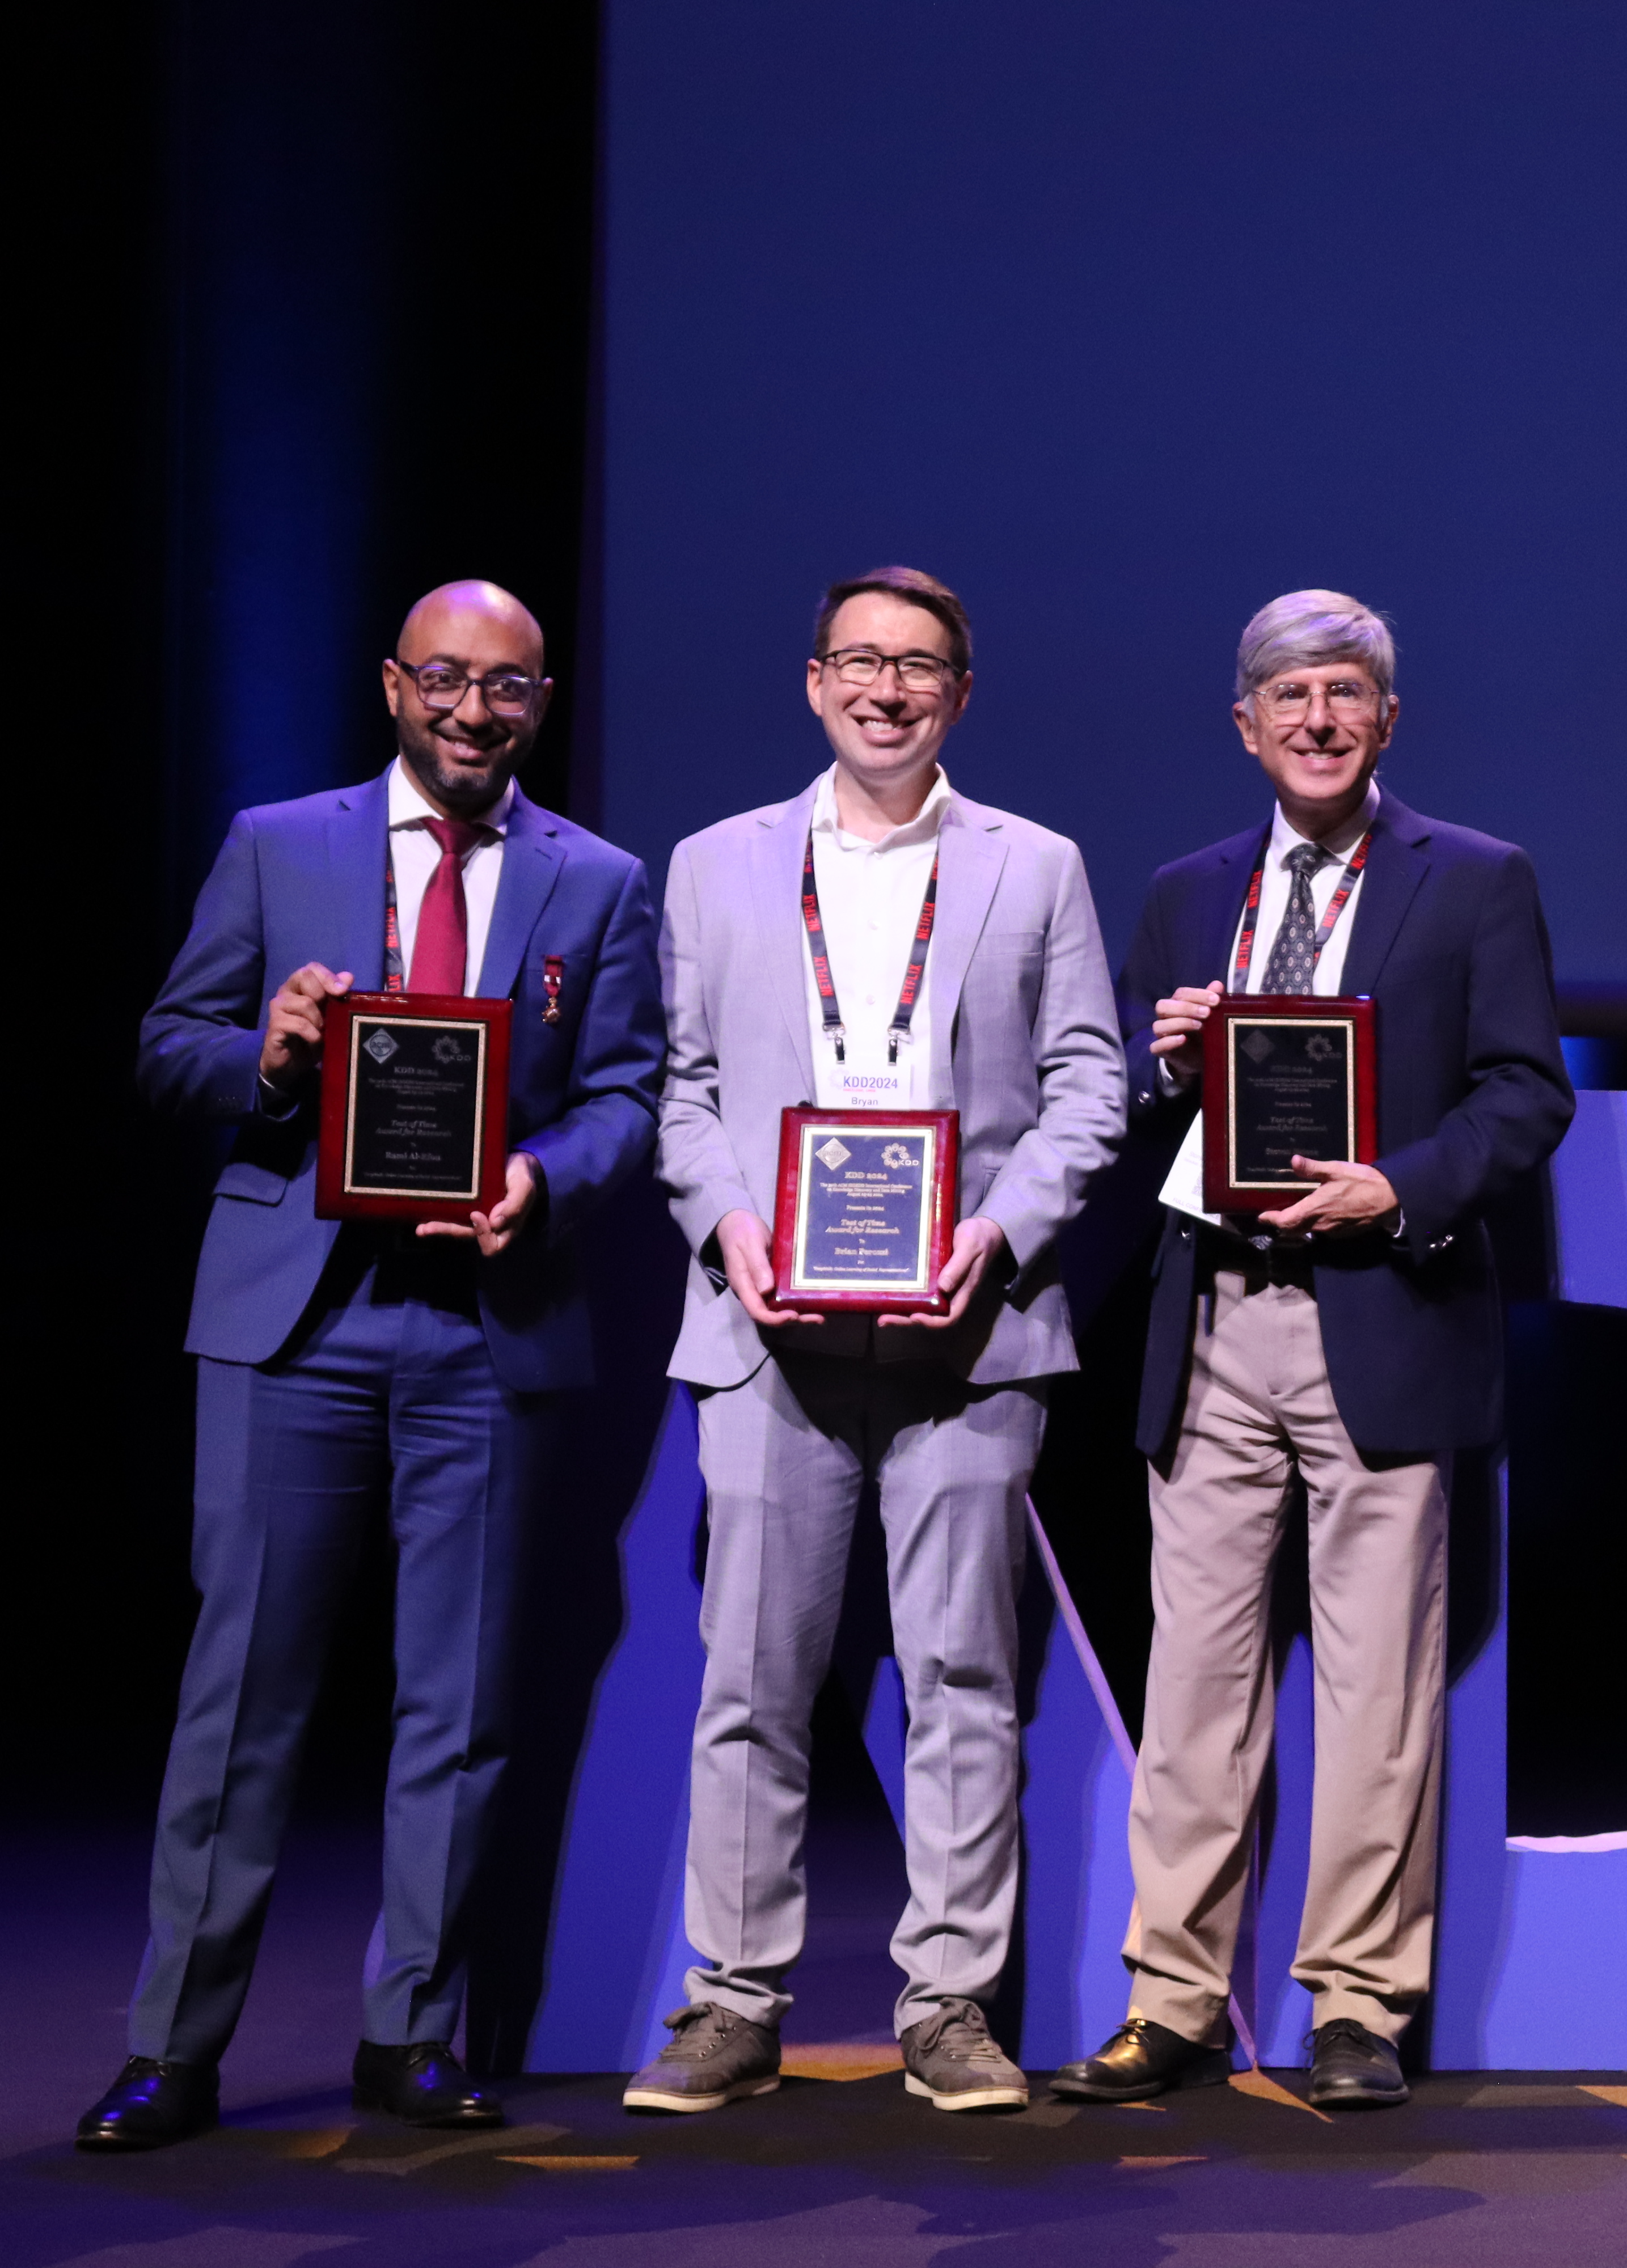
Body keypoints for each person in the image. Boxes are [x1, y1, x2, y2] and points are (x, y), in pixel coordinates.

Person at [85, 581, 667, 2149]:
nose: (476, 713)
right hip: (296, 1324)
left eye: (510, 691)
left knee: (460, 1708)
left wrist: (542, 1175)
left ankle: (412, 2031)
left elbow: (626, 1095)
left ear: (540, 704)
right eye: (448, 683)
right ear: (394, 687)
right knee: (242, 1701)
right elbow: (167, 1045)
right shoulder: (283, 842)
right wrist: (267, 1051)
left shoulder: (597, 883)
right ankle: (175, 2049)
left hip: (484, 1331)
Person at [1053, 590, 1573, 2110]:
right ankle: (1173, 2004)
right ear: (1246, 725)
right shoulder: (1184, 891)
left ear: (1387, 720)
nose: (1320, 722)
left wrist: (1400, 1186)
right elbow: (1136, 1121)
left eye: (1346, 695)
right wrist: (1163, 1064)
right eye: (1291, 698)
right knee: (1195, 1692)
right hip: (1211, 1314)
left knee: (1377, 1691)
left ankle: (1357, 2003)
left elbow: (1526, 1095)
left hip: (1381, 1315)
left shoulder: (1476, 882)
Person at [631, 566, 1126, 2117]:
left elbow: (1089, 1087)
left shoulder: (1034, 867)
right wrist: (732, 1231)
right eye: (860, 661)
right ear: (813, 682)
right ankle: (731, 2002)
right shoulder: (715, 866)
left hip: (964, 1333)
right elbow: (686, 1095)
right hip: (768, 1327)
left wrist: (1002, 1233)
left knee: (965, 1677)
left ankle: (951, 2002)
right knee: (751, 1683)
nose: (888, 689)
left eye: (920, 667)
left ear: (960, 695)